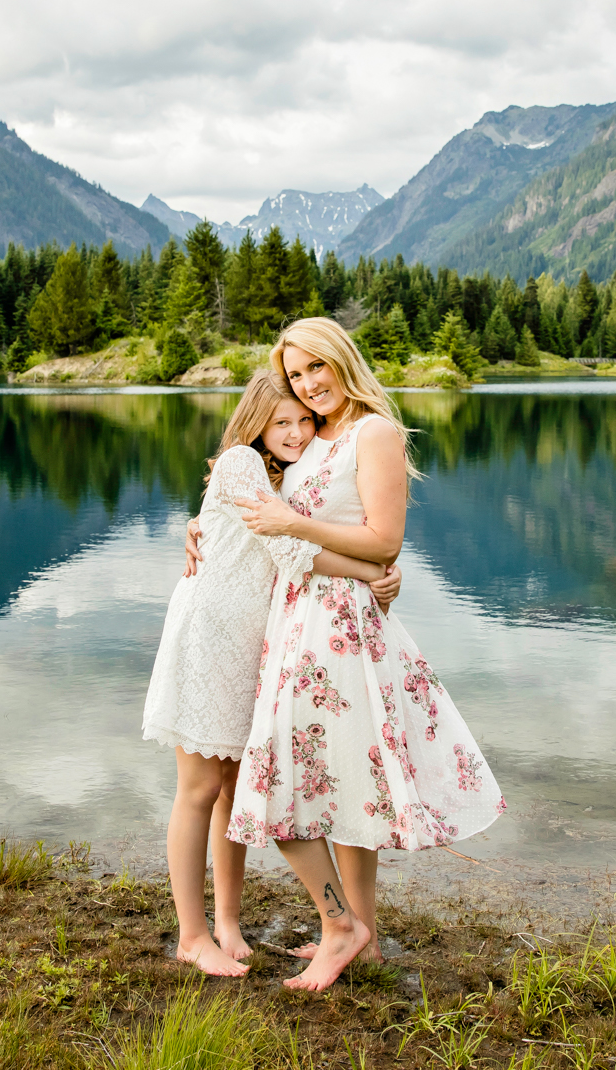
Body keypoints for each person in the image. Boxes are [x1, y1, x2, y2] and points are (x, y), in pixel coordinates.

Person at [225, 317, 505, 990]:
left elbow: (384, 541)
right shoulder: (305, 436)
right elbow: (244, 501)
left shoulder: (374, 432)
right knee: (331, 780)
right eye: (296, 374)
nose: (308, 383)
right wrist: (199, 534)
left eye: (317, 367)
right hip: (297, 619)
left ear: (342, 359)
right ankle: (361, 934)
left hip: (340, 626)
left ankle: (343, 927)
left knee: (300, 782)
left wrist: (300, 526)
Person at [142, 370, 400, 977]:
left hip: (256, 642)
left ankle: (227, 925)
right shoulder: (240, 463)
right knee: (200, 789)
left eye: (303, 421)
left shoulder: (274, 473)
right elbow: (291, 550)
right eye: (281, 421)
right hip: (212, 638)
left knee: (235, 791)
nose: (296, 430)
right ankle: (191, 935)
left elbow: (297, 530)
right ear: (255, 421)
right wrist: (373, 573)